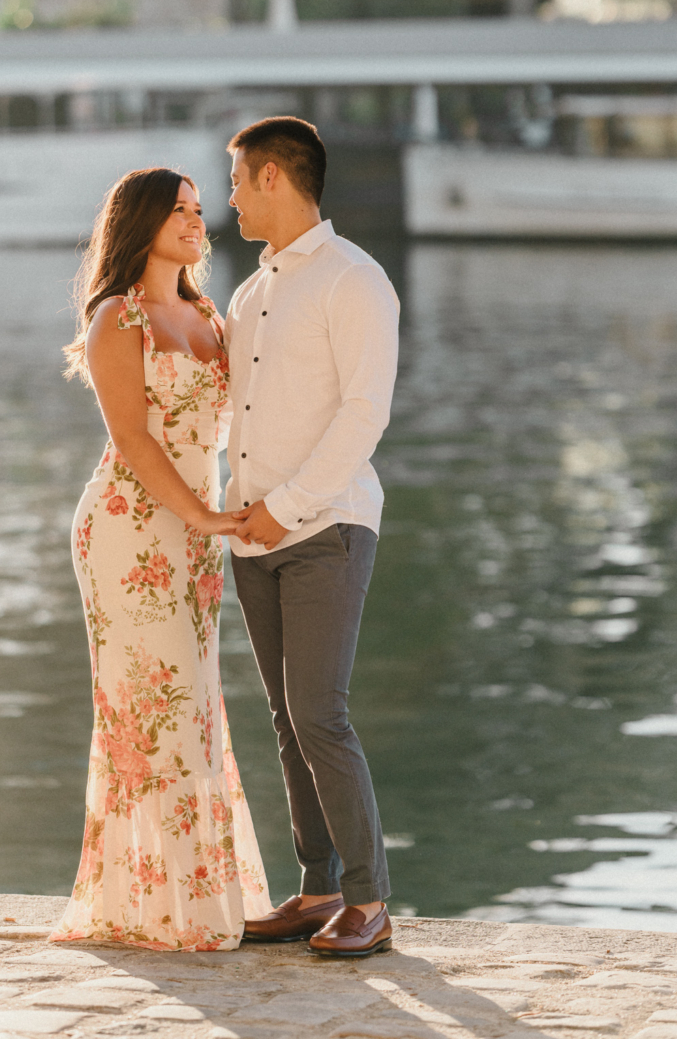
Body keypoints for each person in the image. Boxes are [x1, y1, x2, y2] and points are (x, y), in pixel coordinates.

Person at [51, 166, 269, 951]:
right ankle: (157, 905)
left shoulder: (209, 314)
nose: (195, 221)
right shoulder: (120, 317)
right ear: (141, 221)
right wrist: (207, 515)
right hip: (129, 531)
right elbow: (134, 443)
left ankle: (198, 896)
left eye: (199, 210)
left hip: (195, 539)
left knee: (197, 707)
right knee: (150, 709)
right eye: (179, 210)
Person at [225, 117, 400, 958]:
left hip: (327, 525)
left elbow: (364, 416)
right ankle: (318, 887)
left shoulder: (353, 279)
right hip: (253, 537)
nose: (227, 200)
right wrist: (235, 509)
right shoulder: (249, 292)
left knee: (319, 712)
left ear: (271, 178)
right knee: (286, 722)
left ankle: (369, 900)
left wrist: (288, 505)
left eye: (234, 181)